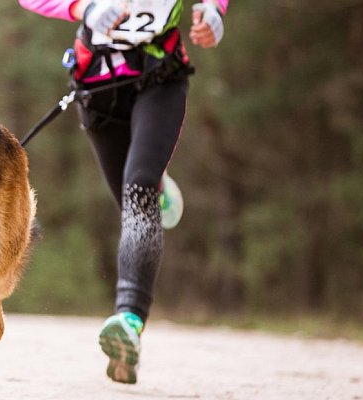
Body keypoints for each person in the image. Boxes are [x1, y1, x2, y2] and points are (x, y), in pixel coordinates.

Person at [18, 0, 227, 384]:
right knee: (131, 201)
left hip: (160, 78)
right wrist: (82, 8)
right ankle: (156, 186)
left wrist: (214, 10)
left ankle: (129, 319)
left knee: (139, 194)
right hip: (97, 89)